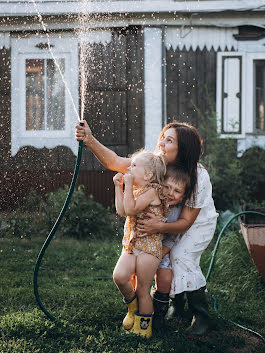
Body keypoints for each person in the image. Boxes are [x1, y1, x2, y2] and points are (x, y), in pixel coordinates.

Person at [75, 120, 218, 337]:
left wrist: (158, 226)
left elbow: (187, 222)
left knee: (181, 257)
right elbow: (115, 161)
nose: (161, 142)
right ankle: (174, 305)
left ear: (183, 149)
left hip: (197, 223)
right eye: (163, 136)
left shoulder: (199, 177)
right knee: (161, 262)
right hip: (164, 220)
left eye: (169, 140)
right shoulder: (155, 164)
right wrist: (89, 139)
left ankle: (202, 316)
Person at [112, 150, 167, 339]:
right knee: (119, 276)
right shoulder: (135, 190)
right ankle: (131, 307)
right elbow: (121, 210)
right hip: (131, 245)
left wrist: (127, 185)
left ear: (148, 175)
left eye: (134, 165)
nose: (129, 168)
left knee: (143, 289)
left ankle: (144, 326)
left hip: (149, 249)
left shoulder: (152, 191)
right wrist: (119, 187)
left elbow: (131, 209)